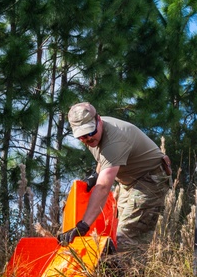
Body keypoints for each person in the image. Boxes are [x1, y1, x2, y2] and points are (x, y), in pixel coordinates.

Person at [60, 102, 170, 257]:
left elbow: (104, 187)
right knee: (116, 234)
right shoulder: (94, 135)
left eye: (90, 132)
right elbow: (104, 156)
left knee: (127, 239)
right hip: (129, 182)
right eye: (82, 136)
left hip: (150, 180)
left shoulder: (116, 139)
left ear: (99, 120)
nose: (88, 138)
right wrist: (95, 176)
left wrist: (84, 226)